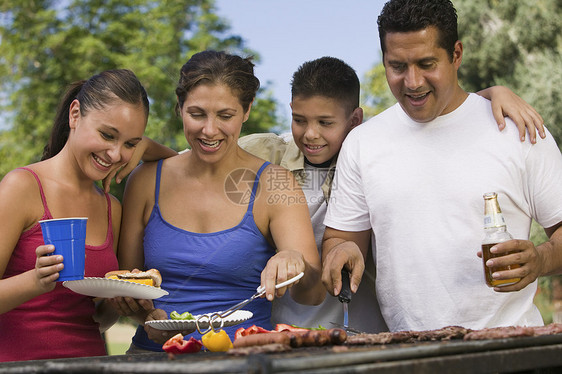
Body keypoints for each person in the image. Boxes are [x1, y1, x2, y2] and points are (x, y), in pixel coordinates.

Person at [239, 56, 547, 332]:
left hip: (365, 330)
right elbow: (211, 144)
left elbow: (451, 112)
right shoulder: (269, 154)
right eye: (300, 120)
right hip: (287, 326)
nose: (311, 134)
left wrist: (493, 93)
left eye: (325, 123)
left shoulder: (377, 151)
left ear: (354, 121)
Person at [321, 0, 562, 333]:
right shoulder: (363, 144)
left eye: (426, 63)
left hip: (511, 348)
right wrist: (341, 249)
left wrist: (540, 259)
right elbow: (339, 239)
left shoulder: (518, 130)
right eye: (397, 66)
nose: (412, 81)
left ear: (457, 54)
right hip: (410, 356)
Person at [116, 50, 325, 352]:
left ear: (247, 110)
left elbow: (313, 293)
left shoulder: (274, 184)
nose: (209, 130)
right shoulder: (145, 181)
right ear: (179, 108)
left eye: (225, 116)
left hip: (246, 360)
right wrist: (146, 315)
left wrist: (295, 261)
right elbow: (129, 286)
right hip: (153, 357)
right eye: (197, 114)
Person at [0, 69, 177, 362]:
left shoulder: (112, 208)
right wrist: (35, 281)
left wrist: (120, 302)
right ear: (75, 114)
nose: (116, 154)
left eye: (130, 144)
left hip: (91, 362)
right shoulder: (22, 187)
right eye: (107, 135)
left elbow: (97, 318)